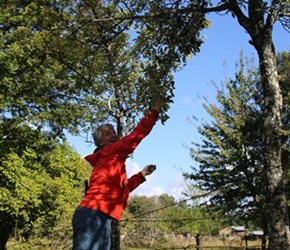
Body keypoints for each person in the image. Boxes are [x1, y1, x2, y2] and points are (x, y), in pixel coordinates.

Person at [72, 96, 166, 250]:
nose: (114, 135)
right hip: (92, 215)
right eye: (108, 134)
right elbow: (135, 136)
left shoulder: (113, 162)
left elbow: (123, 189)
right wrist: (154, 111)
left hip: (101, 218)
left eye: (113, 132)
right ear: (101, 143)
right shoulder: (110, 152)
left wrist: (142, 175)